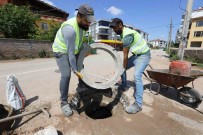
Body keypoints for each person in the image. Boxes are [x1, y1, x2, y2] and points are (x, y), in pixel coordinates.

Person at [52, 4, 95, 117]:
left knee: (82, 69)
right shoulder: (70, 29)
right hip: (61, 51)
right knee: (66, 75)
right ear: (79, 16)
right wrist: (74, 69)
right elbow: (70, 53)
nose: (89, 23)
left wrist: (86, 49)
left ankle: (82, 89)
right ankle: (64, 103)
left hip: (72, 51)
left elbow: (79, 43)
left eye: (90, 21)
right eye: (87, 20)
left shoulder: (83, 26)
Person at [109, 18, 151, 114]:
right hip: (136, 55)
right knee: (122, 68)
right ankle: (124, 85)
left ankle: (138, 105)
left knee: (136, 75)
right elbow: (124, 45)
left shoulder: (127, 34)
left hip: (144, 56)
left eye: (114, 28)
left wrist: (123, 67)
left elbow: (125, 55)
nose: (114, 30)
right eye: (112, 29)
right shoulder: (124, 33)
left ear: (120, 25)